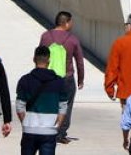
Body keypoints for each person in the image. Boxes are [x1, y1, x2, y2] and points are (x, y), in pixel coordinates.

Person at [39, 10, 86, 143]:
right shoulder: (72, 39)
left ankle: (47, 130)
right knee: (66, 105)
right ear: (66, 23)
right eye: (71, 21)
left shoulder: (45, 36)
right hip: (66, 77)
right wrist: (81, 79)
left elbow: (39, 55)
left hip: (48, 77)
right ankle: (60, 134)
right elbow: (80, 61)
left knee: (48, 104)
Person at [15, 45, 69, 155]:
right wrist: (57, 126)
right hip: (49, 131)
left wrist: (26, 122)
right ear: (49, 60)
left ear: (34, 59)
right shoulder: (59, 81)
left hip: (29, 130)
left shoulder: (25, 80)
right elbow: (63, 106)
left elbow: (19, 106)